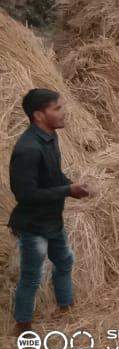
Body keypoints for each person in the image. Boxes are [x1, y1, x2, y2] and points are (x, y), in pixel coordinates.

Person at [9, 89, 91, 335]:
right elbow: (25, 195)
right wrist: (67, 190)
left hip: (52, 220)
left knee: (65, 261)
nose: (64, 112)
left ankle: (66, 308)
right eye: (57, 108)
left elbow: (52, 176)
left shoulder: (50, 137)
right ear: (39, 115)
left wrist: (73, 186)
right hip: (33, 225)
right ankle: (22, 326)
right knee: (32, 275)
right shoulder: (28, 149)